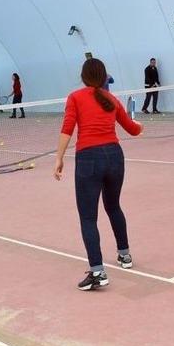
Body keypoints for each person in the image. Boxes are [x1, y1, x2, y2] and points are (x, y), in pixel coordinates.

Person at [54, 58, 143, 290]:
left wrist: (59, 158)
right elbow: (133, 130)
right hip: (115, 157)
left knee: (88, 217)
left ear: (83, 76)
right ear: (104, 77)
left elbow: (67, 129)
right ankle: (125, 255)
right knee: (113, 207)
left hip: (89, 160)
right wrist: (140, 126)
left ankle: (97, 272)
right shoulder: (111, 99)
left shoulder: (75, 97)